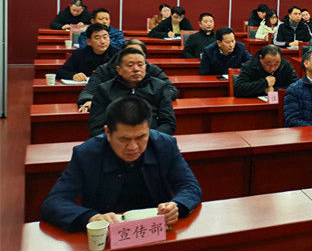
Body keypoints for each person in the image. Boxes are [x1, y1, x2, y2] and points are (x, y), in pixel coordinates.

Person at [40, 96, 201, 233]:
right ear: (108, 133)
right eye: (124, 139)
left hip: (156, 231)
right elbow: (53, 202)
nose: (133, 147)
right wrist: (91, 218)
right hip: (108, 236)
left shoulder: (165, 145)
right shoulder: (86, 154)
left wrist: (176, 205)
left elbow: (190, 186)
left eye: (141, 137)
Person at [89, 47, 177, 136]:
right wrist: (121, 139)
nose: (136, 69)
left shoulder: (159, 87)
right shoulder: (104, 90)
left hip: (151, 139)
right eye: (130, 65)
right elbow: (97, 128)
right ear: (119, 70)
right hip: (116, 141)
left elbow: (168, 123)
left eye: (140, 65)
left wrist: (146, 138)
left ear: (145, 67)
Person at [77, 39, 176, 112]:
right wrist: (89, 101)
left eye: (138, 53)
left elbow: (171, 90)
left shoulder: (151, 69)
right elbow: (88, 92)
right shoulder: (104, 69)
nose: (134, 56)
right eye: (130, 52)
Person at [234, 44, 298, 97]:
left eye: (276, 64)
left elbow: (297, 87)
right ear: (261, 58)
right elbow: (238, 89)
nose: (272, 68)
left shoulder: (285, 65)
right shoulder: (250, 66)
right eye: (268, 64)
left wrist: (275, 90)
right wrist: (265, 84)